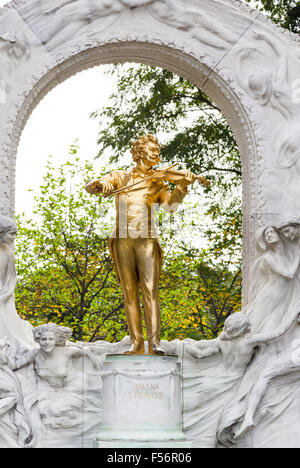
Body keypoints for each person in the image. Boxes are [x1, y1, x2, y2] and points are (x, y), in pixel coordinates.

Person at [85, 134, 197, 355]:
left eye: (157, 150)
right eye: (151, 149)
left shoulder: (158, 182)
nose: (156, 153)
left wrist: (182, 186)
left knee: (150, 290)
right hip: (121, 239)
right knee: (129, 293)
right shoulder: (120, 177)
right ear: (139, 153)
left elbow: (170, 208)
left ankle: (154, 343)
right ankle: (136, 344)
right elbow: (90, 187)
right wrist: (99, 184)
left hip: (146, 239)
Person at [244, 225, 300, 333]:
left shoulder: (286, 256)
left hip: (284, 296)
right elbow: (289, 274)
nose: (269, 235)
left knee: (273, 327)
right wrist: (298, 255)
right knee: (254, 327)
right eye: (266, 235)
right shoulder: (268, 258)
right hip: (271, 297)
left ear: (279, 235)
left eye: (271, 232)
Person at [0, 216, 36, 350]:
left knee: (12, 329)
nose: (14, 237)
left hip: (5, 295)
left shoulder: (9, 253)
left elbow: (12, 277)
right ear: (1, 232)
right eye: (12, 233)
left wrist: (7, 294)